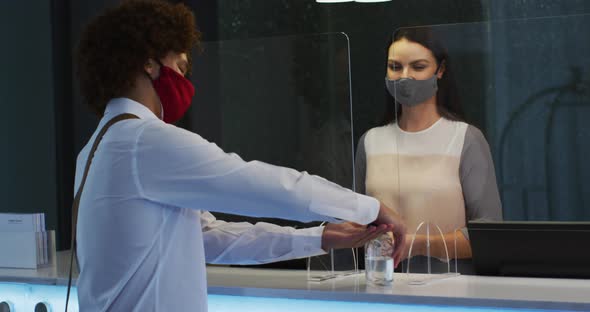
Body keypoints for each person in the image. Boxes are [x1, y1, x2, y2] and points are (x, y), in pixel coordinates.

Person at [73, 1, 406, 311]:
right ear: (148, 62)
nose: (185, 80)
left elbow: (209, 238)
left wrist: (318, 238)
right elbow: (261, 186)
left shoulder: (97, 148)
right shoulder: (145, 141)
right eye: (179, 65)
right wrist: (370, 208)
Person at [355, 27, 502, 272]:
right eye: (395, 66)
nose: (405, 76)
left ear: (440, 70)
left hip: (450, 289)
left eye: (418, 67)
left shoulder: (465, 139)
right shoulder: (370, 141)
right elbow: (357, 222)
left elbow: (489, 235)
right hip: (382, 284)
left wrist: (415, 244)